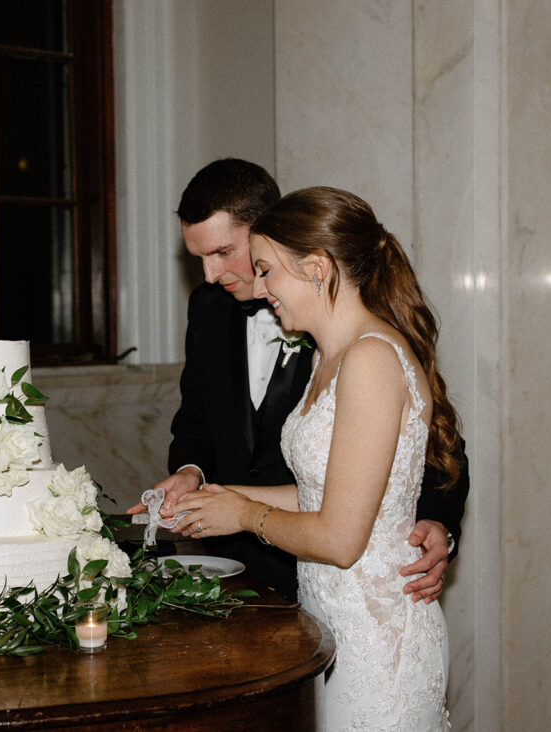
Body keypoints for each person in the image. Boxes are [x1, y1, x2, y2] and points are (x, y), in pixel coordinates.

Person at [173, 186, 455, 727]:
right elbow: (325, 492)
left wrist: (244, 515)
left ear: (317, 268)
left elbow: (341, 540)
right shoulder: (333, 355)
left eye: (266, 270)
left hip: (376, 640)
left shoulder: (371, 358)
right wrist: (221, 496)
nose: (259, 287)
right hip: (329, 622)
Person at [129, 159, 468, 604]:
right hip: (233, 565)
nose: (211, 276)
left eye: (224, 253)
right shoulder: (209, 308)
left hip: (337, 572)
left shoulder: (355, 337)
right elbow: (196, 415)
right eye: (199, 259)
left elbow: (434, 439)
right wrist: (196, 480)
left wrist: (437, 522)